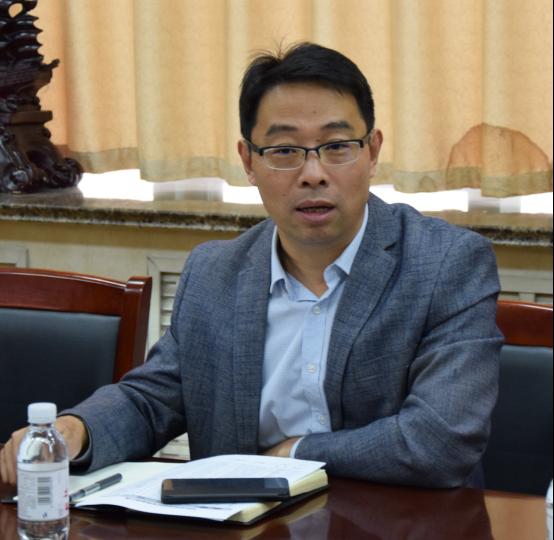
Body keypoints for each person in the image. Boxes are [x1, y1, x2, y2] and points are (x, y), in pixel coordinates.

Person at [0, 42, 503, 488]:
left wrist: (295, 454)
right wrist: (76, 430)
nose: (313, 174)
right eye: (284, 151)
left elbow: (440, 439)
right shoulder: (215, 273)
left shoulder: (446, 265)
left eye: (336, 147)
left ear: (372, 152)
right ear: (248, 161)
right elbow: (152, 400)